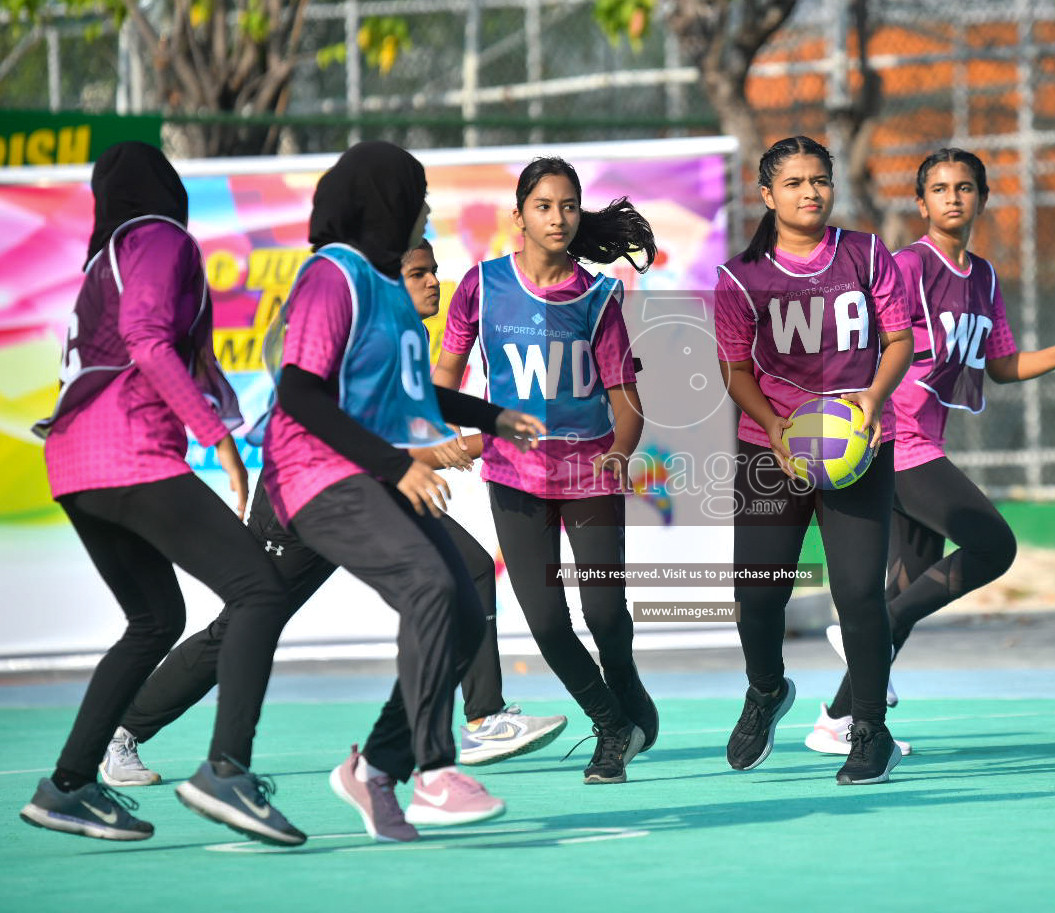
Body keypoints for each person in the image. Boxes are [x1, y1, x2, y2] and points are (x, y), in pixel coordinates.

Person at [99, 242, 566, 825]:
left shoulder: (403, 341)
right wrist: (462, 443)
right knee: (241, 628)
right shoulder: (357, 335)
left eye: (434, 272)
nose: (433, 284)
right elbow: (345, 427)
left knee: (466, 568)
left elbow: (414, 427)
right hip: (301, 498)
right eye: (418, 273)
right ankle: (123, 731)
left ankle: (482, 718)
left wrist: (485, 429)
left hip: (366, 496)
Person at [172, 141, 545, 846]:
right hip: (315, 476)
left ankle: (375, 767)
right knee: (430, 585)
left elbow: (411, 391)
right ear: (385, 202)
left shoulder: (385, 289)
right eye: (418, 195)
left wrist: (489, 416)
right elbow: (300, 390)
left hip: (367, 474)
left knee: (463, 608)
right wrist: (396, 463)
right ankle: (434, 770)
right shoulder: (331, 275)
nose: (426, 208)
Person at [18, 142, 293, 842]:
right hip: (126, 451)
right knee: (259, 587)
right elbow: (147, 339)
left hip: (72, 462)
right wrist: (219, 439)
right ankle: (227, 770)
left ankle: (69, 785)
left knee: (154, 619)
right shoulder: (161, 236)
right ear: (164, 187)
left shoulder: (101, 259)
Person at [805, 147, 1055, 755]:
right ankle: (872, 633)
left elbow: (1001, 365)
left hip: (924, 439)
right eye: (940, 188)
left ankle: (839, 721)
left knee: (907, 588)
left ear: (981, 198)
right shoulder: (905, 266)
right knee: (992, 545)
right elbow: (851, 342)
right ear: (921, 203)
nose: (953, 197)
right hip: (892, 438)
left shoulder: (984, 278)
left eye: (965, 187)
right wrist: (849, 416)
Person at [432, 157, 658, 785]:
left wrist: (621, 450)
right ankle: (613, 726)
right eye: (543, 205)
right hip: (514, 477)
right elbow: (444, 378)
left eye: (567, 205)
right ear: (519, 216)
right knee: (548, 624)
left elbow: (626, 402)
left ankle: (626, 686)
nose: (557, 217)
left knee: (605, 614)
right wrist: (448, 436)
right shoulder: (481, 286)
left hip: (591, 474)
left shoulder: (599, 296)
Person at [714, 136, 914, 786]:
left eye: (819, 180)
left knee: (857, 591)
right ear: (766, 195)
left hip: (855, 445)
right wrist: (773, 425)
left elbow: (899, 338)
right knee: (756, 594)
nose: (810, 192)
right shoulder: (740, 277)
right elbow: (736, 369)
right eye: (794, 182)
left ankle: (869, 732)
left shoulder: (865, 253)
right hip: (770, 446)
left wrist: (873, 398)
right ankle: (766, 690)